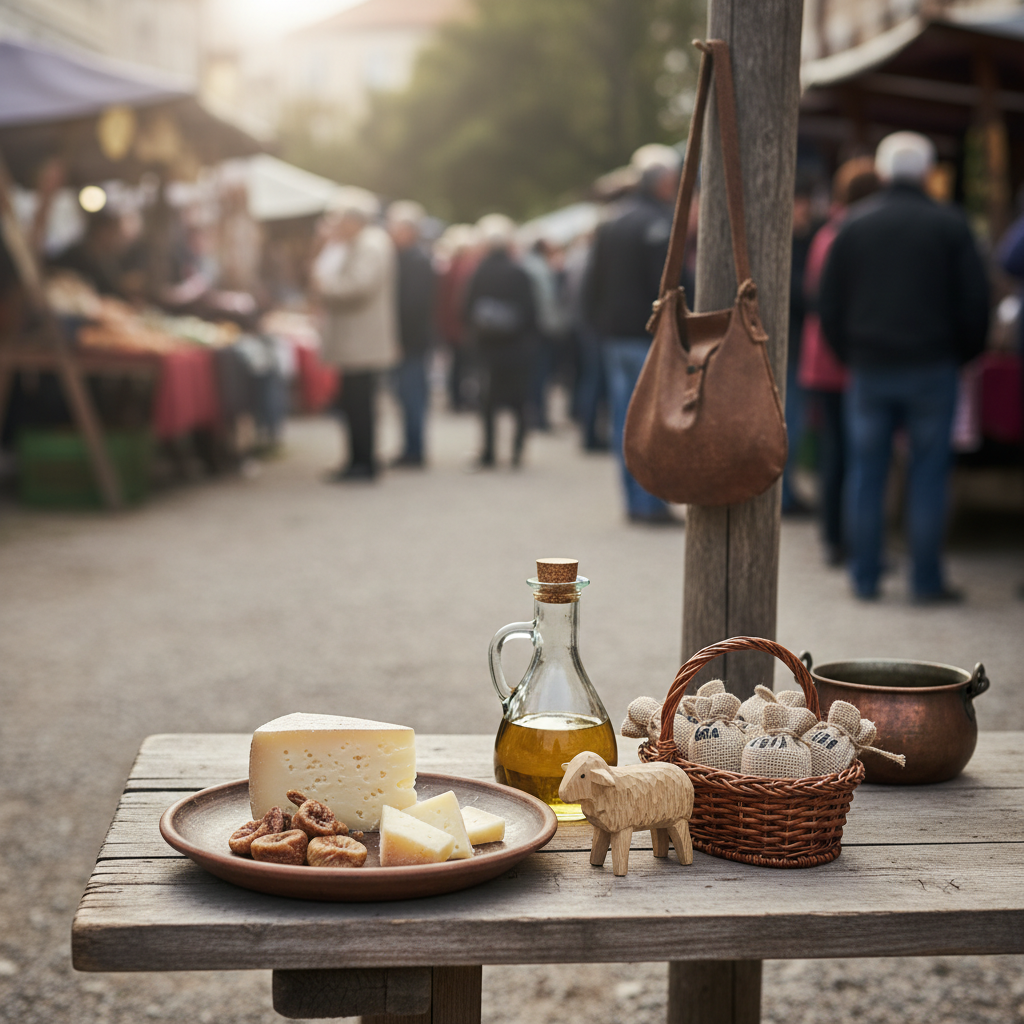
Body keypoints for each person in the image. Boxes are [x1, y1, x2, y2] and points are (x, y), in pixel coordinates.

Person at [818, 132, 990, 602]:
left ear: (883, 170)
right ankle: (925, 580)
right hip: (933, 367)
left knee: (866, 472)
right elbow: (977, 303)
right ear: (928, 172)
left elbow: (827, 304)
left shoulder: (854, 225)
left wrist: (850, 354)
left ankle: (865, 576)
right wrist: (960, 356)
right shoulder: (951, 225)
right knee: (929, 474)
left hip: (870, 369)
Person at [582, 143, 681, 524]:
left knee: (625, 419)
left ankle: (634, 500)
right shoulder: (657, 221)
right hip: (646, 337)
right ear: (662, 180)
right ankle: (649, 503)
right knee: (650, 421)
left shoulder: (611, 221)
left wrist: (596, 327)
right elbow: (667, 285)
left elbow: (592, 284)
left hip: (614, 336)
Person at [799, 157, 881, 566]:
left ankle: (836, 536)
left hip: (822, 357)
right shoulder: (848, 234)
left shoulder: (828, 232)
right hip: (841, 360)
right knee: (848, 454)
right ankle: (842, 537)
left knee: (837, 452)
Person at [312, 188, 399, 482]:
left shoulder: (370, 245)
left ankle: (363, 463)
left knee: (360, 406)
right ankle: (358, 459)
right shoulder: (363, 243)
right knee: (354, 404)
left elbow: (359, 286)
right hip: (356, 341)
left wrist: (326, 288)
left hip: (360, 341)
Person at [463, 213, 537, 468]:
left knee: (488, 402)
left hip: (487, 348)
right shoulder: (519, 272)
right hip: (517, 348)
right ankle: (517, 452)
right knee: (518, 402)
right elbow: (531, 312)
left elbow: (465, 308)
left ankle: (489, 452)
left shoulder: (478, 272)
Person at [781, 174, 823, 517]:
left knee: (795, 423)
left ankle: (786, 491)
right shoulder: (783, 246)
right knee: (788, 424)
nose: (805, 210)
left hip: (799, 346)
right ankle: (782, 495)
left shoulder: (808, 240)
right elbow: (800, 294)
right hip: (788, 347)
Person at [387, 201, 436, 468]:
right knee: (406, 396)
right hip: (410, 340)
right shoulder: (410, 257)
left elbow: (413, 306)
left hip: (411, 342)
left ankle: (414, 450)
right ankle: (410, 447)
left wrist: (400, 340)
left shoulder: (416, 260)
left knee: (412, 396)